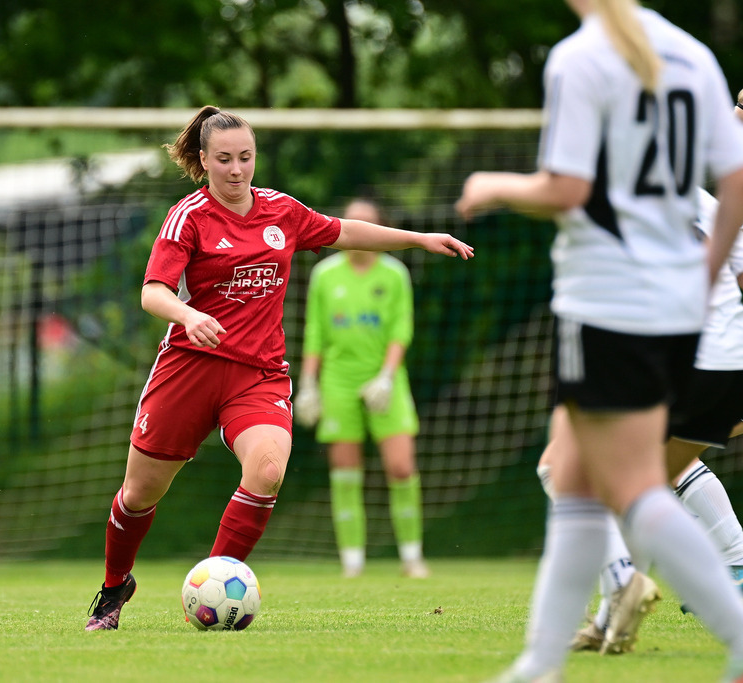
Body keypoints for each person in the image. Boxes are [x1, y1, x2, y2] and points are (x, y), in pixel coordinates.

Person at [84, 105, 474, 631]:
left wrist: (417, 238)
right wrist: (188, 313)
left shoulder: (280, 212)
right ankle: (114, 587)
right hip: (190, 367)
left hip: (257, 373)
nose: (237, 169)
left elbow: (345, 231)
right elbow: (153, 292)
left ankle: (213, 585)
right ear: (203, 160)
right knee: (138, 495)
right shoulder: (189, 217)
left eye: (246, 157)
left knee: (267, 471)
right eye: (224, 159)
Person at [454, 0, 743, 680]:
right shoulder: (693, 55)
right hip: (676, 311)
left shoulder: (583, 56)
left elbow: (566, 188)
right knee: (580, 480)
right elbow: (733, 187)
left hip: (610, 302)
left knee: (622, 489)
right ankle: (540, 662)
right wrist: (705, 281)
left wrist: (492, 184)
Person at [294, 198, 428, 579]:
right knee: (344, 470)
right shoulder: (325, 274)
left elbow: (401, 329)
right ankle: (352, 561)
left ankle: (412, 556)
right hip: (338, 380)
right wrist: (308, 385)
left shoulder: (395, 273)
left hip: (386, 379)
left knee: (401, 467)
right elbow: (316, 333)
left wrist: (386, 375)